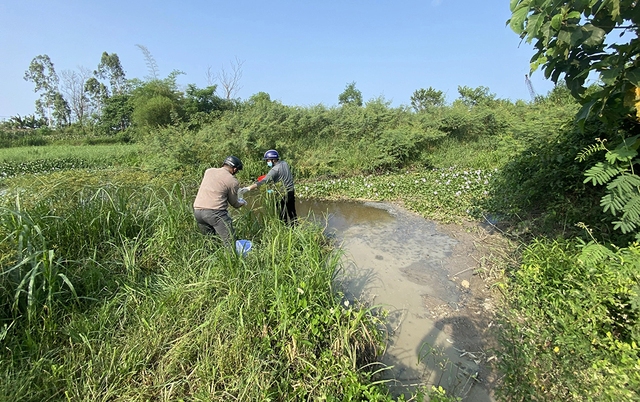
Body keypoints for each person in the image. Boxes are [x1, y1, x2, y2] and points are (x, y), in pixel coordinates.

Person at [193, 155, 247, 246]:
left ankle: (209, 258)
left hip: (197, 211)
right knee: (230, 241)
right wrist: (242, 202)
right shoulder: (232, 181)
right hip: (215, 213)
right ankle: (233, 259)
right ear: (234, 169)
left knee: (209, 242)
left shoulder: (209, 171)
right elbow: (234, 203)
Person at [243, 149, 297, 225]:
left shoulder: (274, 170)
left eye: (267, 160)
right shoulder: (284, 163)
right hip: (291, 191)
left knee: (282, 214)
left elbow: (263, 182)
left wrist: (248, 188)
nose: (267, 162)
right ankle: (295, 228)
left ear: (273, 159)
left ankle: (285, 229)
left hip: (281, 194)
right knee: (292, 213)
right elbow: (281, 176)